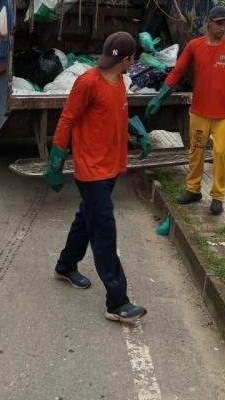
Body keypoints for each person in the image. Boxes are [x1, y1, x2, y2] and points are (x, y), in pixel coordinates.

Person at [45, 31, 152, 323]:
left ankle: (66, 265)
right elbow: (67, 119)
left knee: (87, 218)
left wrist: (138, 131)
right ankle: (117, 302)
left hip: (111, 165)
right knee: (104, 230)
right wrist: (55, 163)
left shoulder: (119, 81)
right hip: (91, 169)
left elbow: (117, 113)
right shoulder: (88, 82)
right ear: (128, 59)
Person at [145, 5, 225, 216]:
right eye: (219, 23)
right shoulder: (194, 46)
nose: (223, 27)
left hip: (223, 113)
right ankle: (193, 189)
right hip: (199, 111)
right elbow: (177, 72)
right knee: (196, 151)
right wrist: (159, 98)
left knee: (220, 153)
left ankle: (218, 196)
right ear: (209, 22)